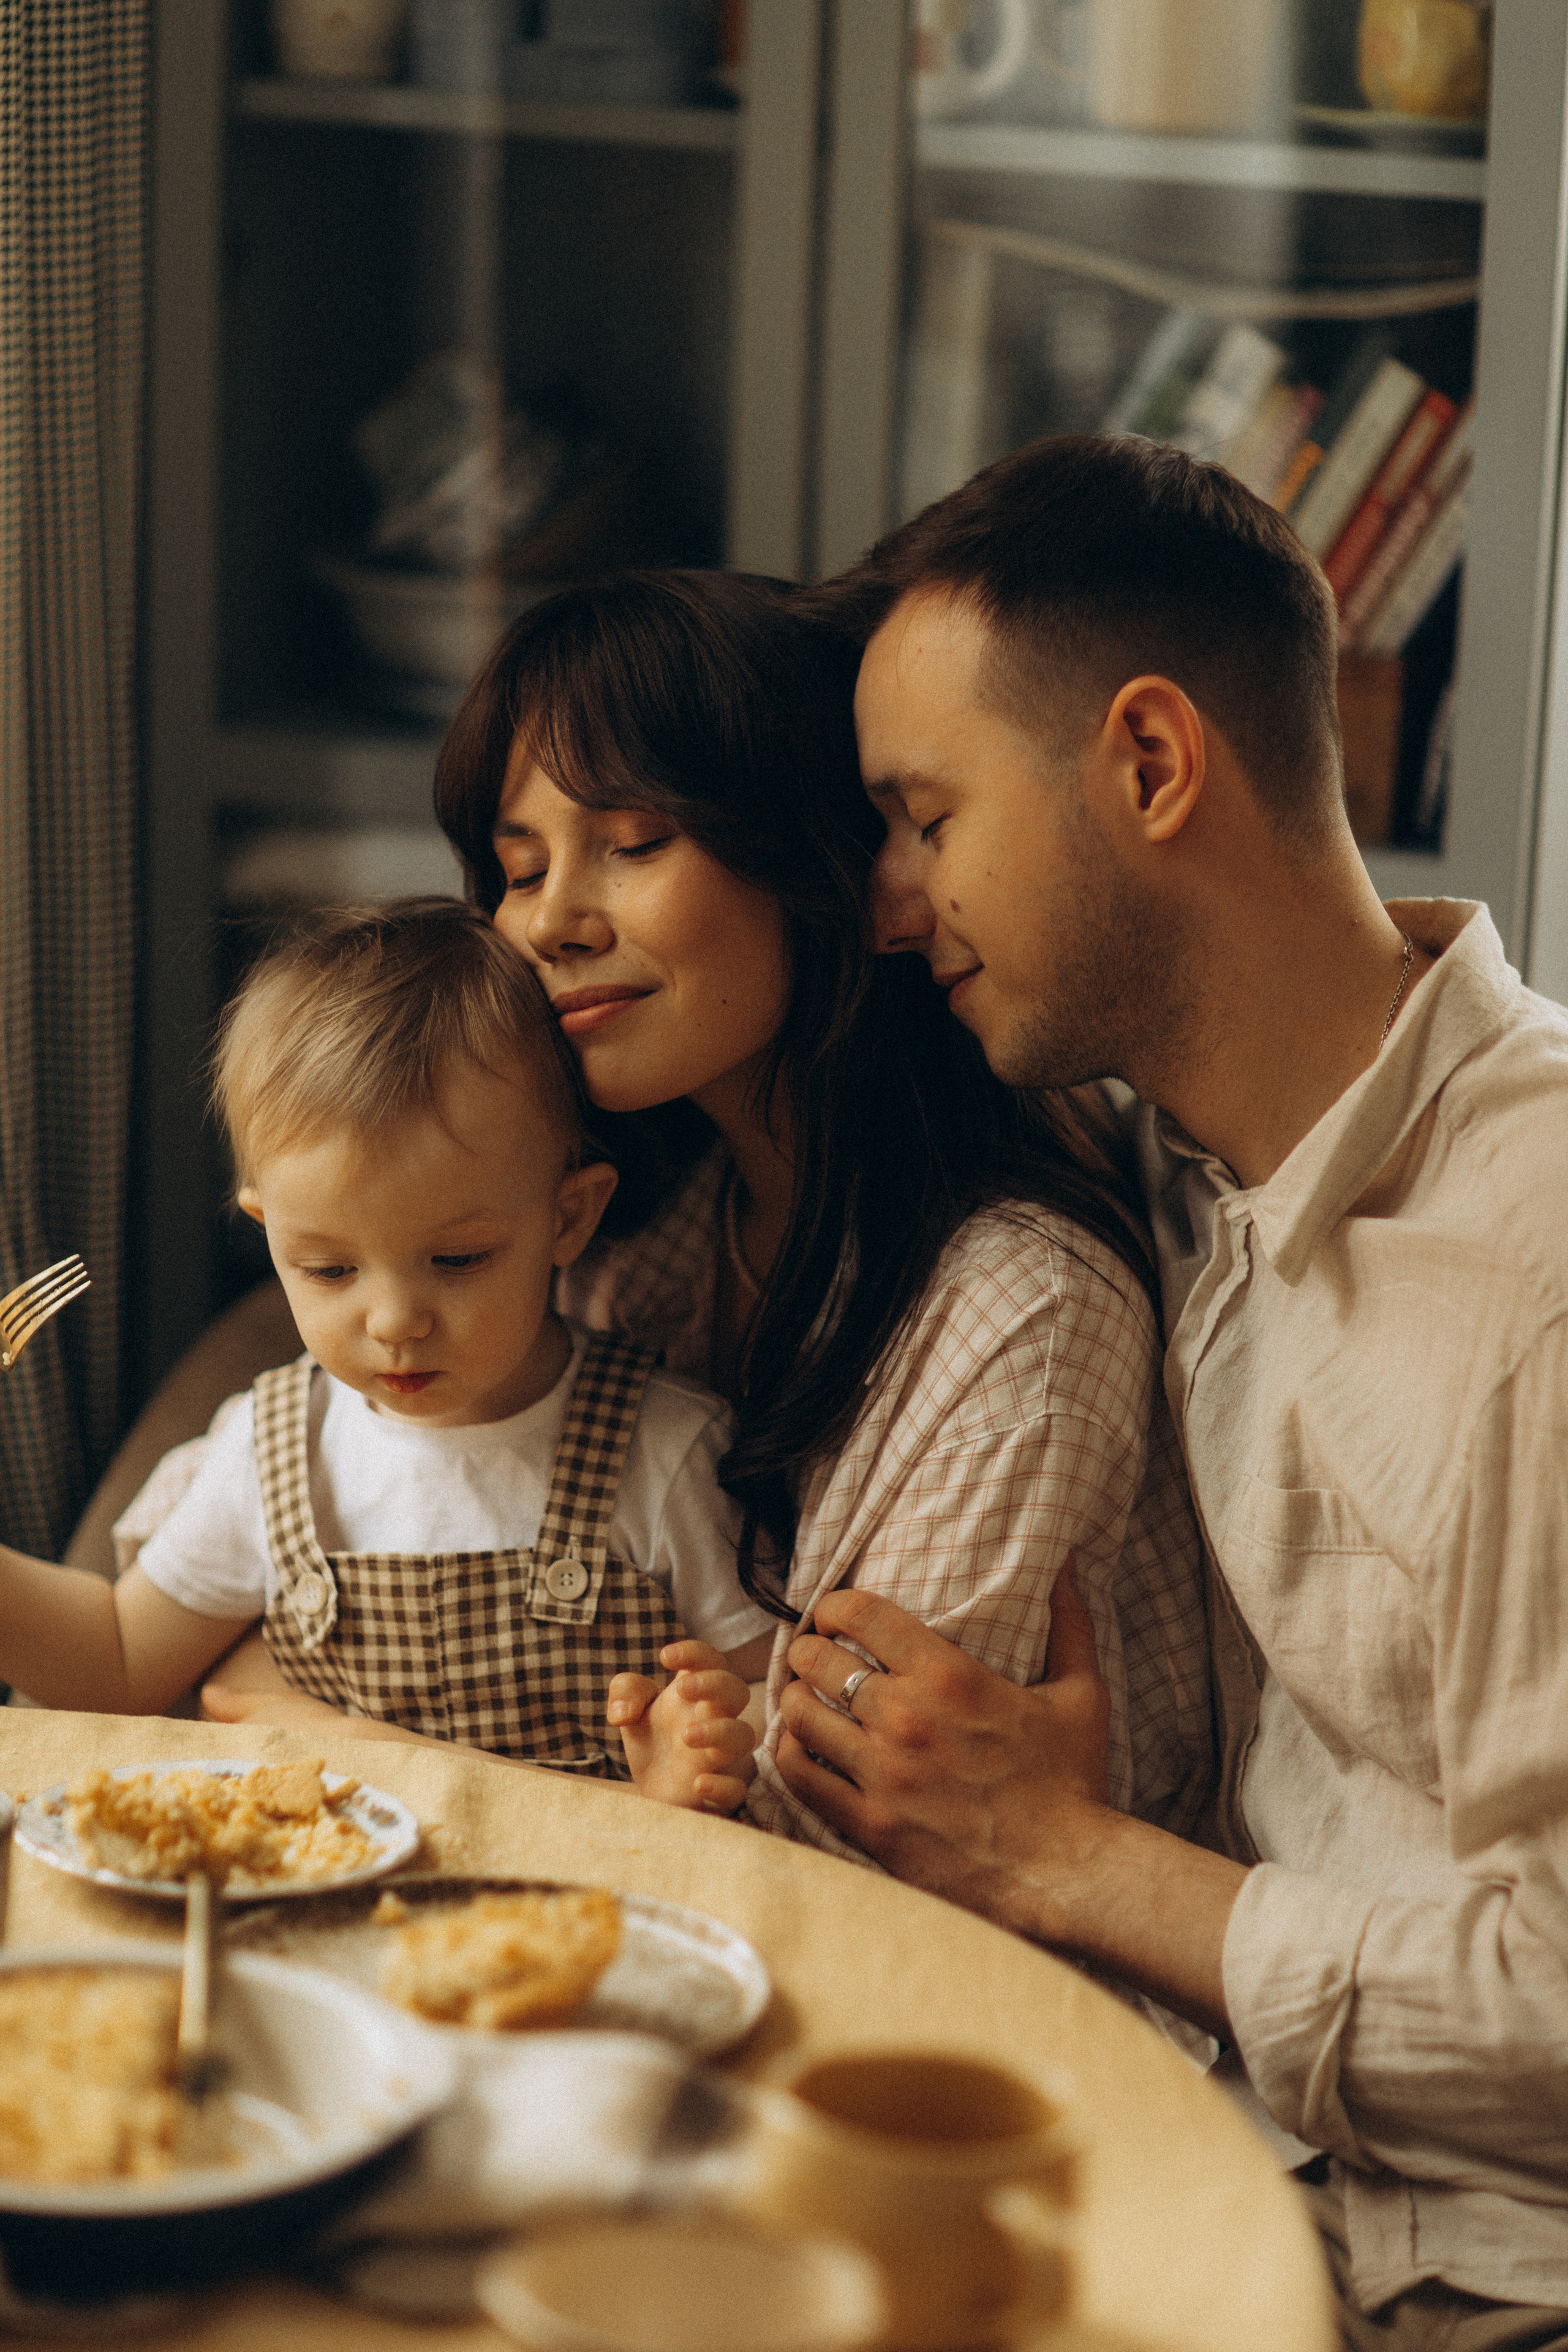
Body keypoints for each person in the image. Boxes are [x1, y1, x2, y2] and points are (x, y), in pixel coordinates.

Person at [769, 434, 1568, 2346]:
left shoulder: (1534, 1276)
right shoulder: (1181, 1157)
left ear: (1149, 763)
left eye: (924, 818)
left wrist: (1069, 1860)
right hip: (1240, 2173)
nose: (889, 905)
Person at [413, 568, 1212, 1865]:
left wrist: (392, 1762)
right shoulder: (642, 1245)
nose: (548, 921)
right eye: (517, 868)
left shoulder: (1021, 1313)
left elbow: (858, 1834)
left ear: (805, 856)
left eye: (631, 844)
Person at [9, 898, 774, 1806]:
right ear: (271, 1234)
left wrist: (705, 1743)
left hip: (564, 1920)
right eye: (329, 1269)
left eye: (457, 1259)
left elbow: (771, 1690)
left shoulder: (667, 1451)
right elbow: (120, 1659)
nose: (394, 1320)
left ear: (568, 1216)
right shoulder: (269, 1449)